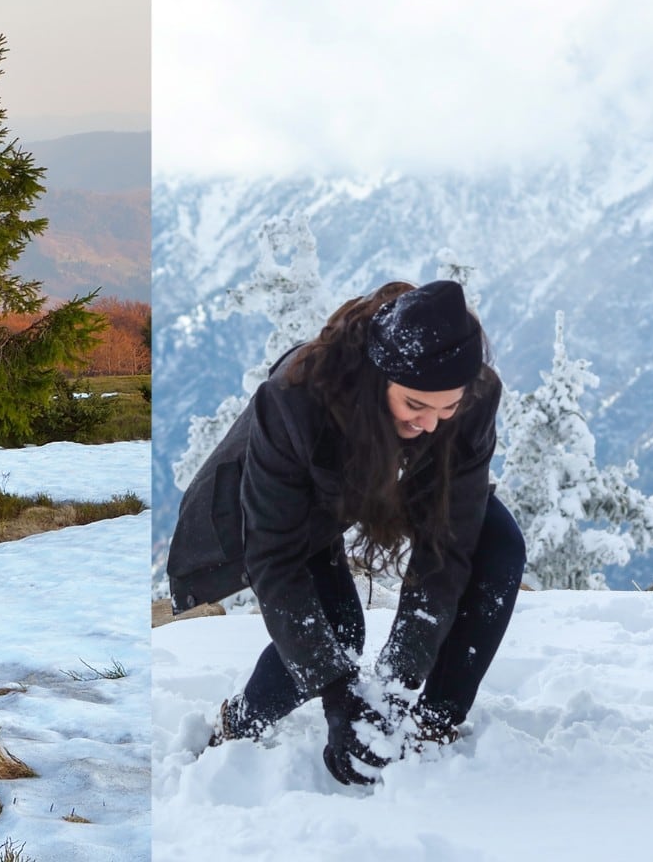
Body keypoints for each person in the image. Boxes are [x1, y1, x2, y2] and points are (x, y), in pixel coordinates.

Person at [166, 279, 524, 786]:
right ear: (381, 379)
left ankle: (429, 726)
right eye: (415, 406)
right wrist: (341, 698)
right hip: (309, 498)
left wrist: (396, 689)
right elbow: (275, 559)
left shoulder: (475, 401)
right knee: (337, 628)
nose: (432, 424)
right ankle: (239, 722)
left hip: (403, 478)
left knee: (498, 547)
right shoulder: (296, 401)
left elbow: (448, 549)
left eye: (448, 409)